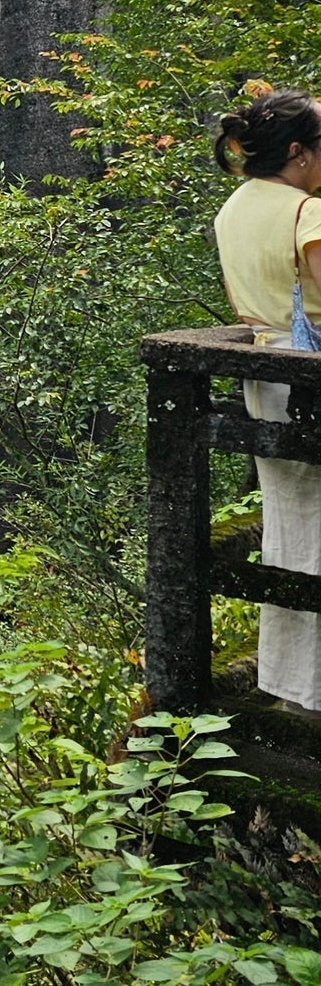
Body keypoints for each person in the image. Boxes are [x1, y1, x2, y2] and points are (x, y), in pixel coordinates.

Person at [213, 85, 321, 712]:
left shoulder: (235, 208)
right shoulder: (305, 211)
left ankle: (294, 691)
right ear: (301, 153)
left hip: (266, 373)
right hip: (312, 378)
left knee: (293, 525)